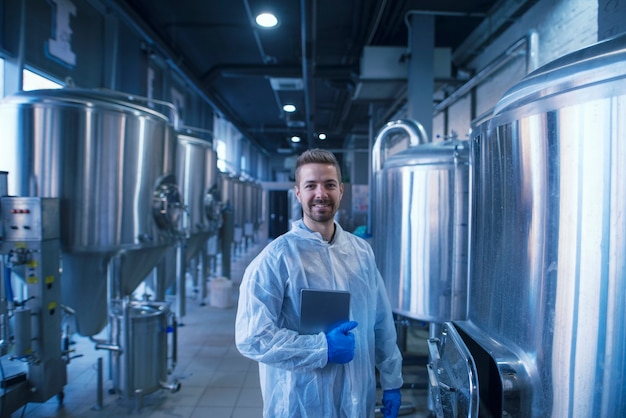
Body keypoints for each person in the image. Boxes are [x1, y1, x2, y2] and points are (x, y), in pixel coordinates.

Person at [235, 148, 403, 417]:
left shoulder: (361, 252)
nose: (321, 194)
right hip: (300, 400)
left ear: (341, 191)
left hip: (358, 398)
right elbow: (252, 337)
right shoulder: (277, 258)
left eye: (329, 185)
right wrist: (322, 348)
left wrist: (392, 380)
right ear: (298, 193)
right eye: (311, 185)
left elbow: (381, 321)